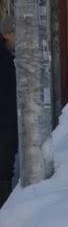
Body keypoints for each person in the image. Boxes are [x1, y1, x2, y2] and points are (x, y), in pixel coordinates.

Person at [0, 16, 17, 206]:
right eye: (17, 34)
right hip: (4, 123)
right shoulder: (4, 60)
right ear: (7, 34)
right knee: (3, 169)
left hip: (6, 122)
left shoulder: (6, 57)